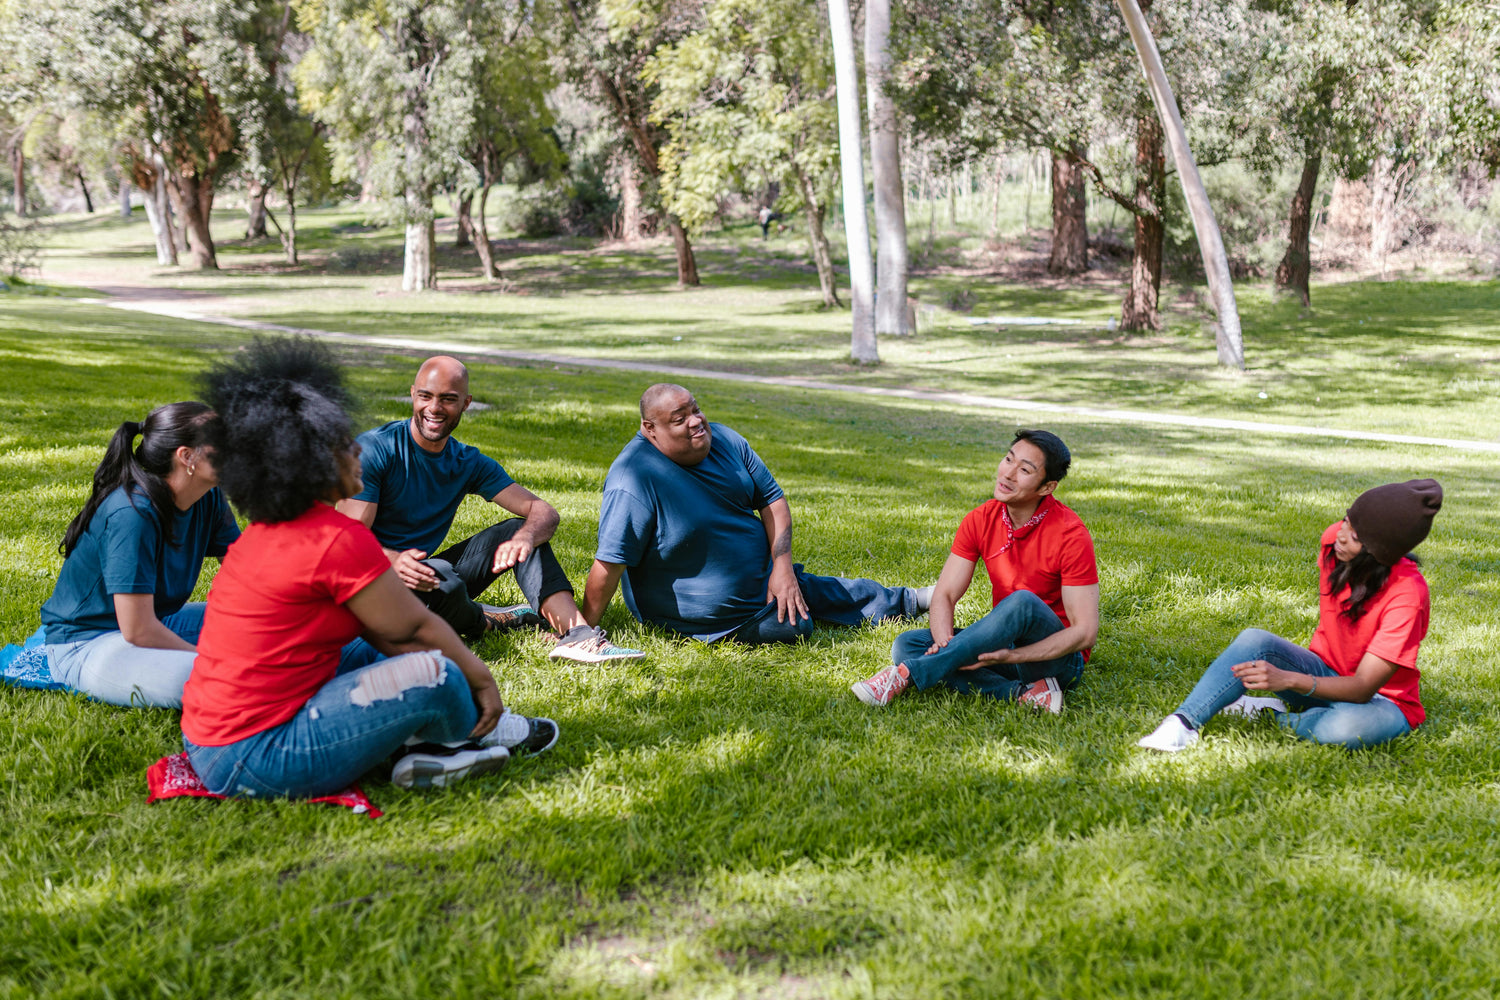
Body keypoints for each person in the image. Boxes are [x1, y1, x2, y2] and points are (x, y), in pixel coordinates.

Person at [181, 338, 556, 796]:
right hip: (257, 757)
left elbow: (385, 632)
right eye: (345, 445)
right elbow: (415, 629)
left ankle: (425, 741)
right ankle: (465, 740)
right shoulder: (337, 539)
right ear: (309, 463)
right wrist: (483, 680)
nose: (359, 450)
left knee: (385, 654)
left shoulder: (270, 528)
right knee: (437, 672)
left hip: (208, 738)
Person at [336, 355, 642, 664]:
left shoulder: (467, 462)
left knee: (516, 531)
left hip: (422, 578)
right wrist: (393, 560)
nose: (434, 408)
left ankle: (578, 636)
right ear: (413, 394)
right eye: (425, 396)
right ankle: (489, 620)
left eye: (448, 399)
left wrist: (525, 538)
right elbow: (343, 543)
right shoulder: (375, 450)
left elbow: (542, 511)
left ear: (466, 403)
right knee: (442, 576)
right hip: (368, 585)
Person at [580, 384, 930, 644]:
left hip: (764, 576)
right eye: (679, 419)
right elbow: (609, 563)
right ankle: (903, 600)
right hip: (703, 617)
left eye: (695, 409)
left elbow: (773, 501)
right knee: (796, 624)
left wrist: (781, 568)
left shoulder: (727, 442)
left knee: (802, 588)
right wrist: (581, 629)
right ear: (649, 429)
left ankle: (910, 599)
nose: (696, 422)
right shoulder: (634, 478)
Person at [1138, 479, 1441, 752]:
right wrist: (1297, 678)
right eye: (1346, 520)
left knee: (1348, 727)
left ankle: (1273, 717)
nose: (1342, 535)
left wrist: (1288, 680)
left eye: (1356, 535)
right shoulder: (1332, 544)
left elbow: (1363, 687)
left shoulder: (1408, 596)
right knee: (1254, 640)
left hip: (1382, 702)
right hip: (1324, 672)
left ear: (1381, 551)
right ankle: (1181, 725)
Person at [851, 429, 1099, 714]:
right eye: (1008, 459)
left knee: (1023, 602)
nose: (1008, 474)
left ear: (1046, 487)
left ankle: (907, 675)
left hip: (1056, 660)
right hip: (1003, 645)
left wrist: (1012, 656)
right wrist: (945, 645)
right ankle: (1023, 695)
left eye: (1025, 470)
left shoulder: (1071, 534)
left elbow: (1084, 633)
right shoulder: (981, 519)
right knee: (907, 644)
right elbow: (944, 594)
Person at [40, 402, 239, 708]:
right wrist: (212, 657)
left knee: (281, 627)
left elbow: (245, 575)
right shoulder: (133, 513)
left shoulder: (207, 497)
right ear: (187, 456)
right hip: (89, 642)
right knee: (223, 680)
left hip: (159, 621)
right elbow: (138, 629)